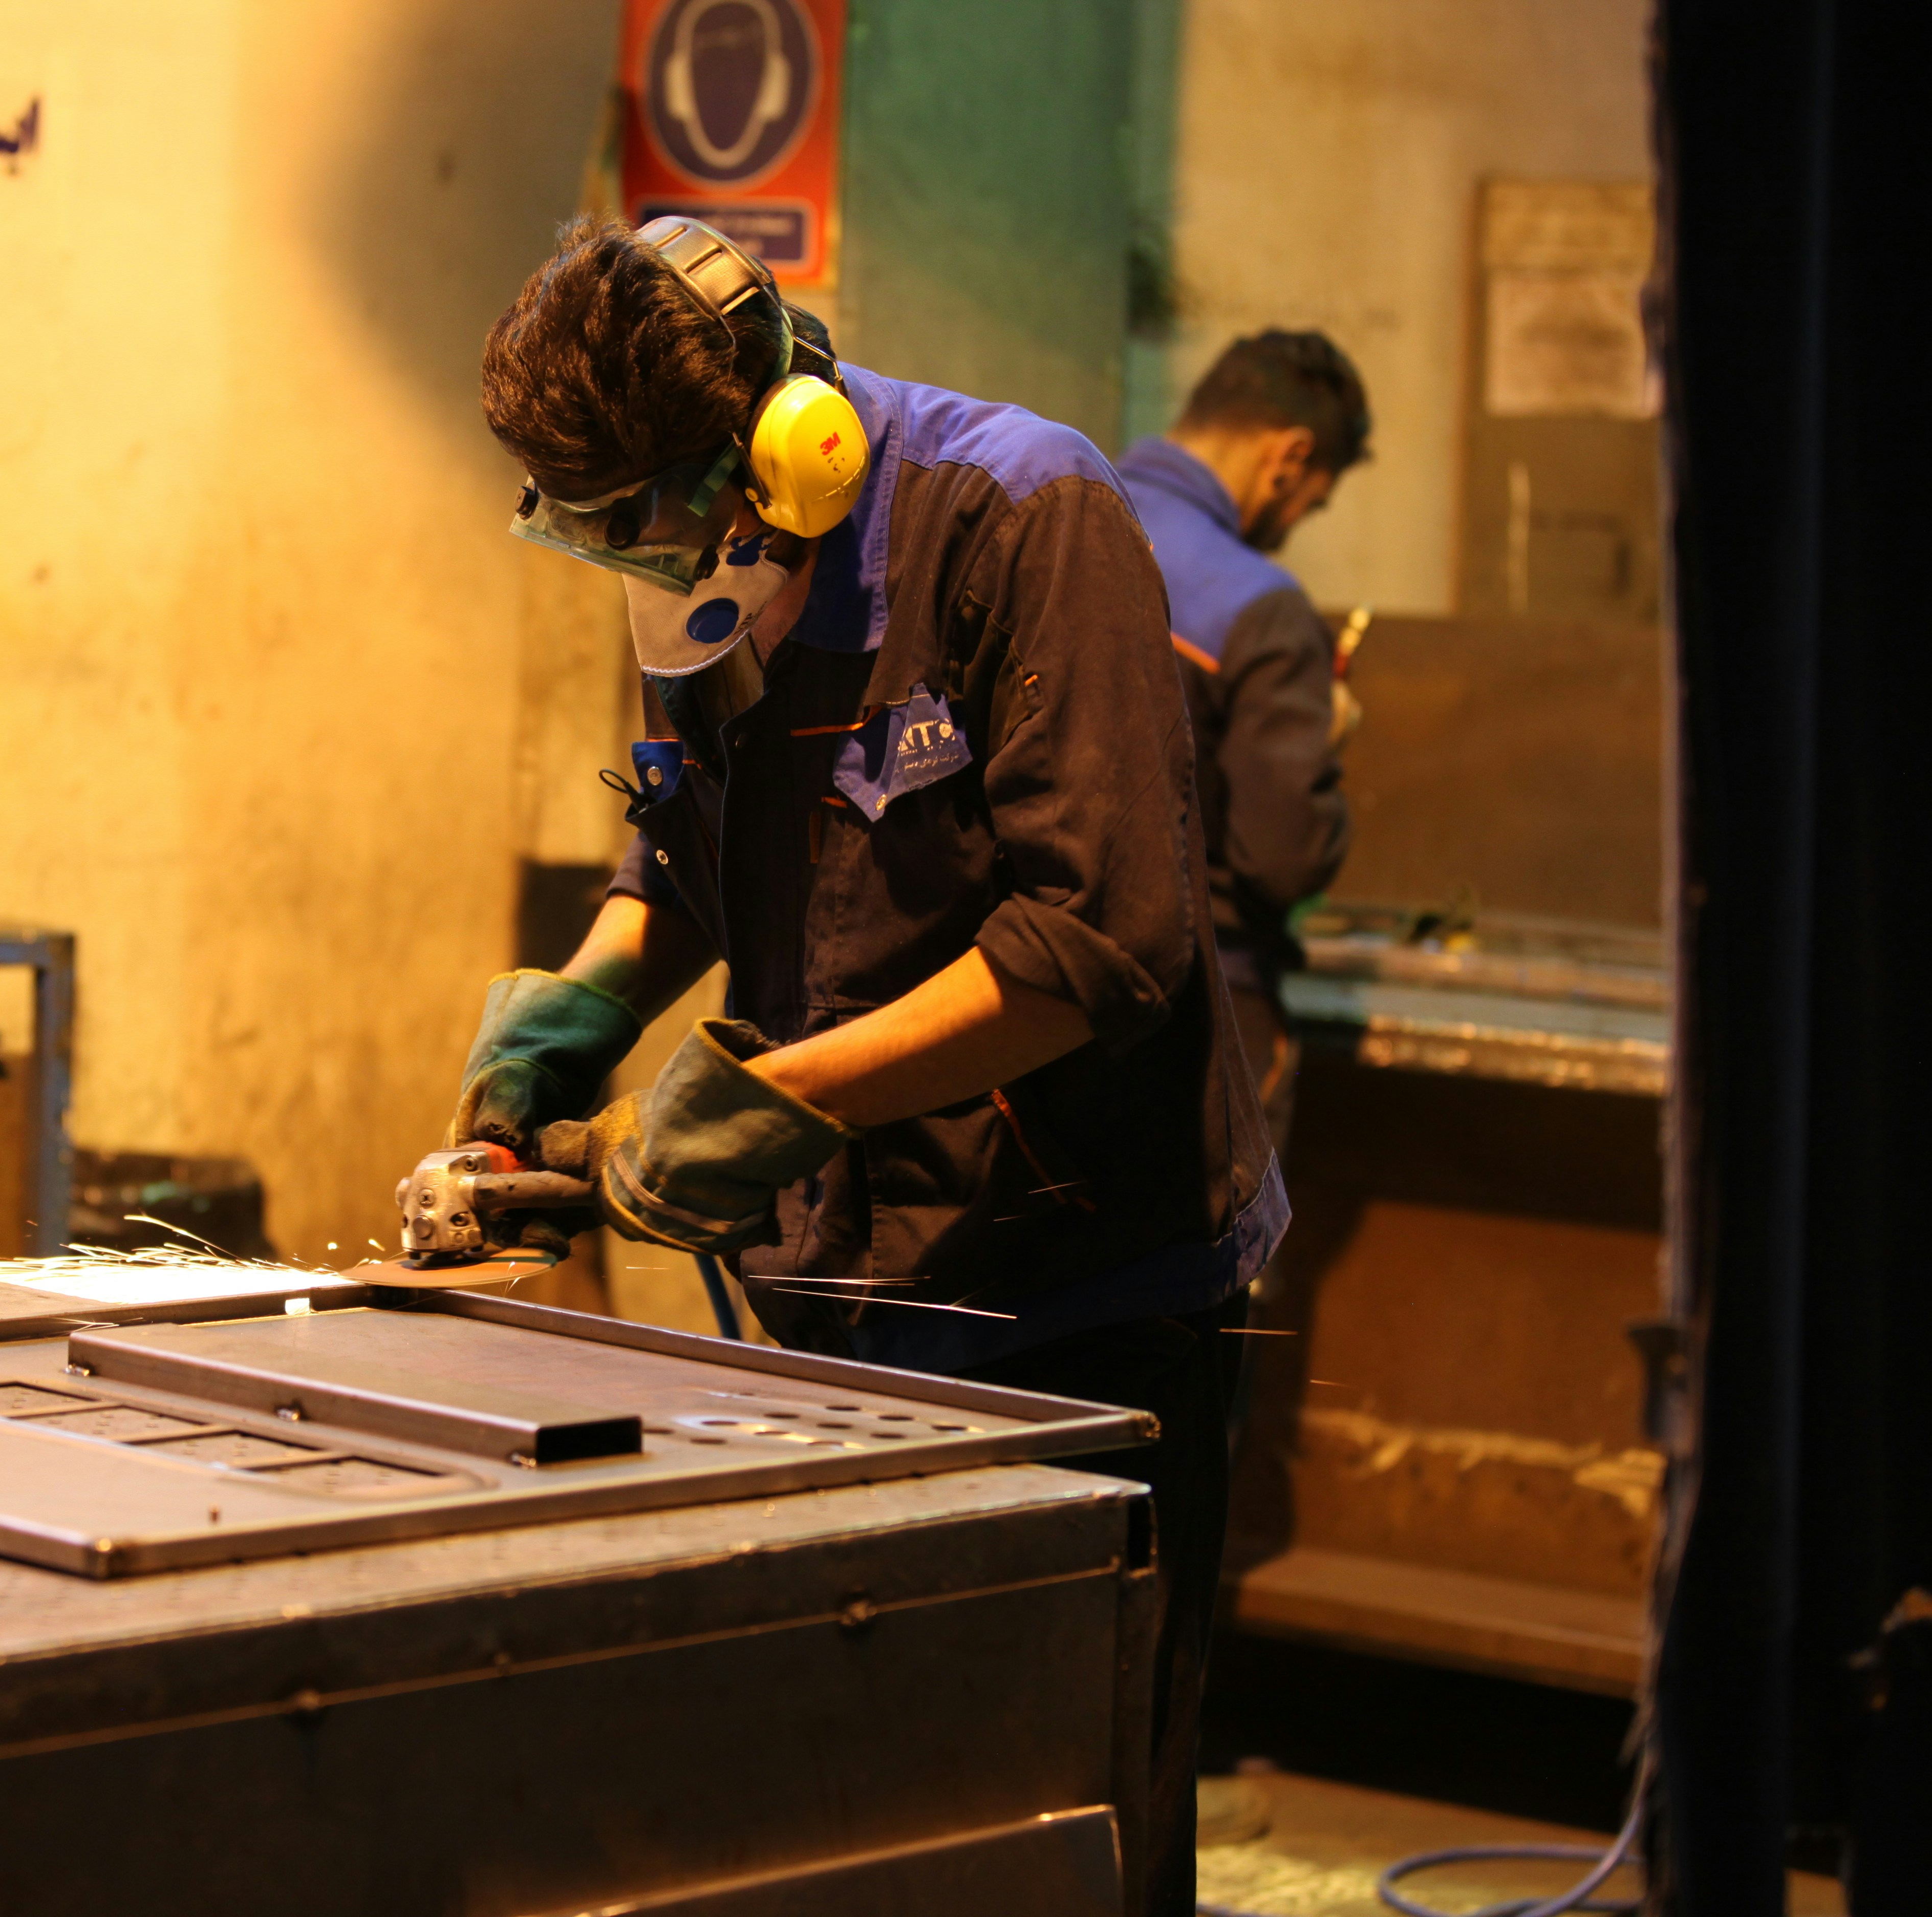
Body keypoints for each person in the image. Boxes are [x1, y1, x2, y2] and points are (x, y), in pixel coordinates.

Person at [443, 215, 1283, 1917]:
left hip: (1070, 1311)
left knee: (1068, 1838)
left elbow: (1097, 941)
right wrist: (577, 1013)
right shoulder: (707, 576)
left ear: (780, 447)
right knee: (846, 1833)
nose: (637, 563)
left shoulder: (1021, 518)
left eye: (648, 518)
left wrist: (783, 1098)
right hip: (832, 1305)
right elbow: (682, 849)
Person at [1114, 333, 1369, 1148]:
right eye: (1311, 504)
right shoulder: (1259, 608)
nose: (1292, 527)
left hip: (1023, 1000)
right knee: (1216, 1271)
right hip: (1200, 1011)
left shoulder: (1044, 517)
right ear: (1289, 457)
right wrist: (1321, 738)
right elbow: (1281, 857)